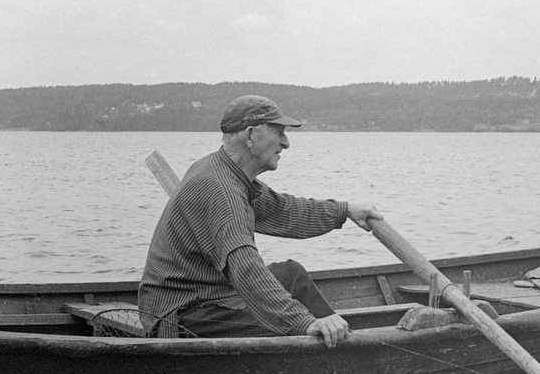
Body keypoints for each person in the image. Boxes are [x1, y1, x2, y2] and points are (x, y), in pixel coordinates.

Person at [138, 95, 382, 346]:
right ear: (251, 135)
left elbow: (283, 210)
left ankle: (338, 341)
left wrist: (345, 210)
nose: (286, 143)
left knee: (292, 274)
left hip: (212, 295)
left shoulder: (224, 170)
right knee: (291, 328)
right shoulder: (221, 191)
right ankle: (336, 349)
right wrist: (303, 322)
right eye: (278, 132)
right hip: (183, 314)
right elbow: (245, 267)